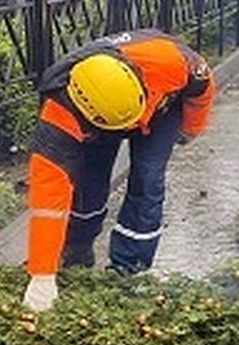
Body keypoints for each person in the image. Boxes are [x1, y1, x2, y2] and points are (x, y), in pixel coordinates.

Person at [21, 30, 216, 312]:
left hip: (160, 110)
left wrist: (190, 129)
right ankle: (77, 247)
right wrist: (42, 274)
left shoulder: (172, 63)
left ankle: (130, 268)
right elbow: (47, 203)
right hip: (101, 121)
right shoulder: (59, 116)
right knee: (89, 178)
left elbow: (201, 90)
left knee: (148, 178)